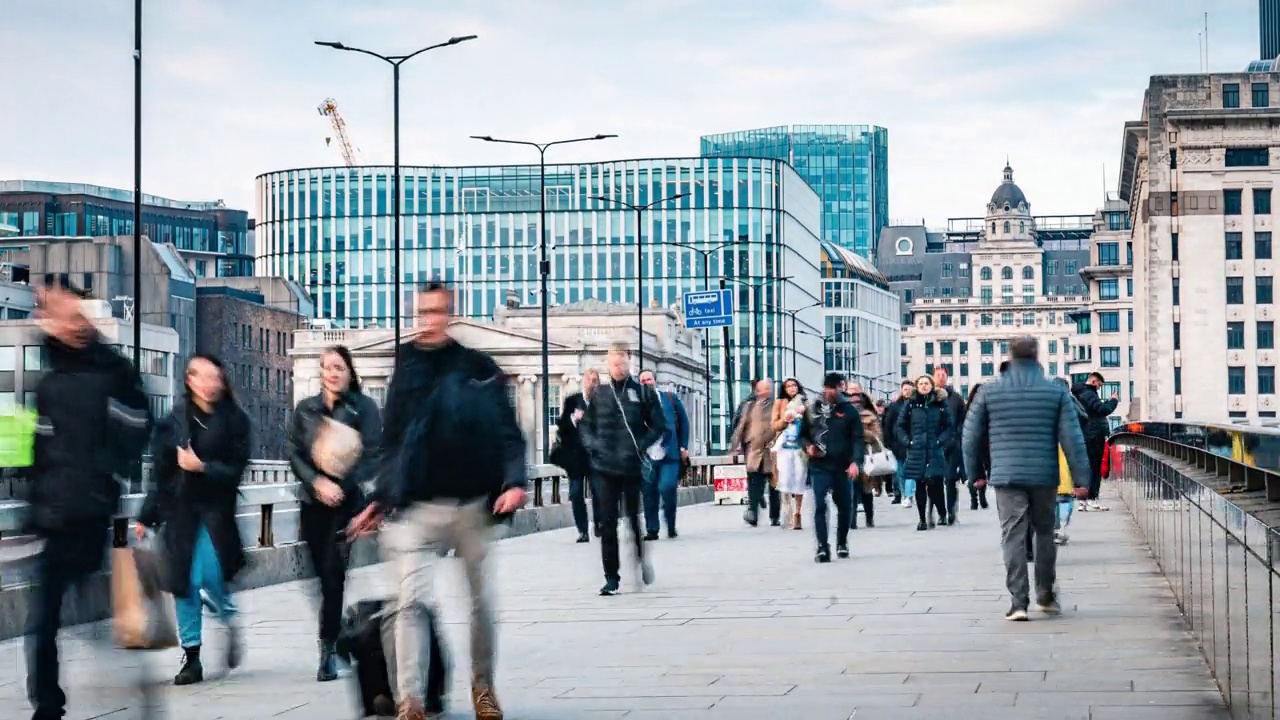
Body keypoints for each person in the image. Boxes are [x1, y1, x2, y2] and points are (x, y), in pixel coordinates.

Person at [347, 281, 528, 720]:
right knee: (408, 602)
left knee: (480, 601)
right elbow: (392, 443)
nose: (429, 319)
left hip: (470, 503)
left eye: (437, 311)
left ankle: (482, 687)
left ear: (450, 313)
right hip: (415, 506)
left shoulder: (476, 367)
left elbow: (508, 433)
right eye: (422, 312)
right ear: (415, 315)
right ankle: (411, 702)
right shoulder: (405, 369)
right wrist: (379, 499)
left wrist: (513, 481)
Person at [25, 281, 153, 720]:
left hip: (92, 510)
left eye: (58, 308)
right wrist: (34, 509)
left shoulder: (111, 370)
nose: (50, 317)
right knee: (44, 619)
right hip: (55, 515)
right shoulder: (50, 382)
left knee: (92, 615)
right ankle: (47, 704)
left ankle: (136, 690)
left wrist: (108, 473)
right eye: (46, 311)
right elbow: (41, 450)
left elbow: (139, 423)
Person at [137, 353, 252, 686]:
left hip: (216, 513)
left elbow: (236, 470)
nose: (210, 383)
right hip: (179, 513)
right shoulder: (173, 421)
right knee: (184, 584)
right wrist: (147, 515)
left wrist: (202, 467)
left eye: (215, 377)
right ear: (189, 380)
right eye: (202, 376)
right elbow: (160, 475)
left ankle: (228, 616)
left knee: (211, 577)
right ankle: (192, 656)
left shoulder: (235, 421)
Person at [962, 336, 1091, 621]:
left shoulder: (988, 391)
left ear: (1010, 356)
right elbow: (1073, 438)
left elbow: (970, 438)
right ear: (1037, 357)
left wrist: (975, 475)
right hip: (1043, 474)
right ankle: (1045, 594)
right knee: (1044, 532)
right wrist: (1083, 479)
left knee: (1012, 535)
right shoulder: (1055, 391)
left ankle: (1018, 603)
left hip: (1006, 475)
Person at [288, 345, 383, 682]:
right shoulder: (306, 410)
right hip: (312, 504)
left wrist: (344, 483)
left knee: (332, 575)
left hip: (346, 504)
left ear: (349, 372)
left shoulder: (364, 409)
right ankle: (341, 633)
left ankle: (326, 650)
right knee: (315, 577)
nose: (332, 373)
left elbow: (373, 454)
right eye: (327, 367)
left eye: (339, 367)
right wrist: (316, 482)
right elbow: (295, 454)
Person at [580, 345, 664, 596]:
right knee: (607, 522)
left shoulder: (643, 393)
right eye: (614, 364)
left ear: (630, 363)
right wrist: (593, 445)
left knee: (632, 520)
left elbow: (659, 425)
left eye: (623, 364)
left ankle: (640, 560)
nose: (618, 368)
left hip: (630, 465)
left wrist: (642, 444)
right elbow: (586, 427)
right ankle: (611, 577)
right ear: (608, 365)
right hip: (604, 467)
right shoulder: (600, 394)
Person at [798, 373, 865, 563]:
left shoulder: (849, 410)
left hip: (843, 466)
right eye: (830, 388)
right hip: (819, 465)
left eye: (836, 388)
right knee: (820, 504)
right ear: (825, 388)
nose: (833, 392)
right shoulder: (812, 409)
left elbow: (857, 439)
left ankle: (842, 542)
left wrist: (855, 462)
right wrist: (807, 447)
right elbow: (802, 435)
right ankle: (822, 546)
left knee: (845, 507)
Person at [637, 369, 690, 540]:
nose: (646, 382)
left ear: (655, 381)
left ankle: (671, 523)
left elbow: (684, 421)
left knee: (667, 487)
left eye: (649, 379)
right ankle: (652, 529)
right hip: (647, 456)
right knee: (649, 493)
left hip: (670, 453)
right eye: (643, 380)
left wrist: (683, 446)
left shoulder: (669, 399)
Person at [895, 375, 952, 531]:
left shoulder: (940, 403)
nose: (924, 386)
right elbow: (900, 426)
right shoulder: (911, 404)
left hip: (934, 449)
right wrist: (908, 442)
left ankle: (942, 512)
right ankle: (922, 519)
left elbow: (949, 426)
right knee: (919, 484)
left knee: (935, 483)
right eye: (920, 383)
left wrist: (940, 441)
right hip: (917, 449)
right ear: (916, 386)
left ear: (932, 385)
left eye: (927, 383)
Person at [554, 368, 601, 543]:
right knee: (575, 493)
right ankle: (582, 531)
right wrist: (574, 419)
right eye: (589, 380)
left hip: (595, 456)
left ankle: (599, 524)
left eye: (595, 380)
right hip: (575, 457)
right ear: (584, 381)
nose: (592, 383)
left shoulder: (602, 402)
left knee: (598, 492)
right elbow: (562, 425)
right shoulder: (572, 400)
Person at [730, 378, 779, 527]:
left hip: (772, 451)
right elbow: (740, 426)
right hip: (754, 450)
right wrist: (734, 447)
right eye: (763, 388)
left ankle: (775, 515)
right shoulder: (749, 406)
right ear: (757, 391)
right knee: (753, 482)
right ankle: (753, 512)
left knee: (774, 485)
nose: (766, 391)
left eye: (768, 388)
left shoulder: (777, 405)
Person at [1072, 371, 1118, 512]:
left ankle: (1083, 502)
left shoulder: (1079, 393)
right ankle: (1092, 498)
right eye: (1099, 385)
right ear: (1093, 382)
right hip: (1093, 435)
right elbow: (1102, 410)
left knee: (1086, 468)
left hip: (1084, 434)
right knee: (1094, 467)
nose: (1099, 388)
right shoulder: (1088, 394)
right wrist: (1113, 401)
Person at [771, 378, 808, 530]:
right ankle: (787, 510)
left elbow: (813, 423)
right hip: (784, 446)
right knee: (785, 478)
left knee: (800, 478)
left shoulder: (805, 402)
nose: (792, 388)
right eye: (788, 386)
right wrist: (786, 420)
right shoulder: (779, 403)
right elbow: (774, 425)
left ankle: (797, 513)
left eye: (794, 385)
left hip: (800, 446)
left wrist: (803, 415)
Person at [932, 367, 966, 525]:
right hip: (933, 445)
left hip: (952, 444)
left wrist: (956, 435)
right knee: (934, 480)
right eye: (937, 375)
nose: (940, 377)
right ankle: (940, 513)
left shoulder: (955, 398)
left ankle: (952, 510)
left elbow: (963, 419)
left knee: (951, 479)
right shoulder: (928, 397)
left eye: (943, 375)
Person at [851, 392, 881, 528]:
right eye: (852, 402)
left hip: (866, 456)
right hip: (848, 456)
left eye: (857, 402)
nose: (855, 404)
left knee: (865, 490)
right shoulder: (843, 416)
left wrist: (860, 432)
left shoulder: (870, 416)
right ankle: (852, 521)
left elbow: (877, 437)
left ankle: (869, 518)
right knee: (851, 490)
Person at [882, 380, 914, 506]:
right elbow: (887, 425)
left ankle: (909, 494)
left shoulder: (917, 404)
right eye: (905, 389)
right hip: (898, 443)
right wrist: (887, 442)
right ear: (901, 390)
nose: (907, 392)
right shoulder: (894, 406)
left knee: (911, 469)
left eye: (910, 389)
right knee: (900, 471)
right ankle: (904, 493)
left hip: (913, 442)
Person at [963, 383, 990, 511]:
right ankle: (974, 498)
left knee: (979, 472)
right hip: (973, 443)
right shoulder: (969, 408)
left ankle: (981, 496)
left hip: (984, 443)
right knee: (973, 473)